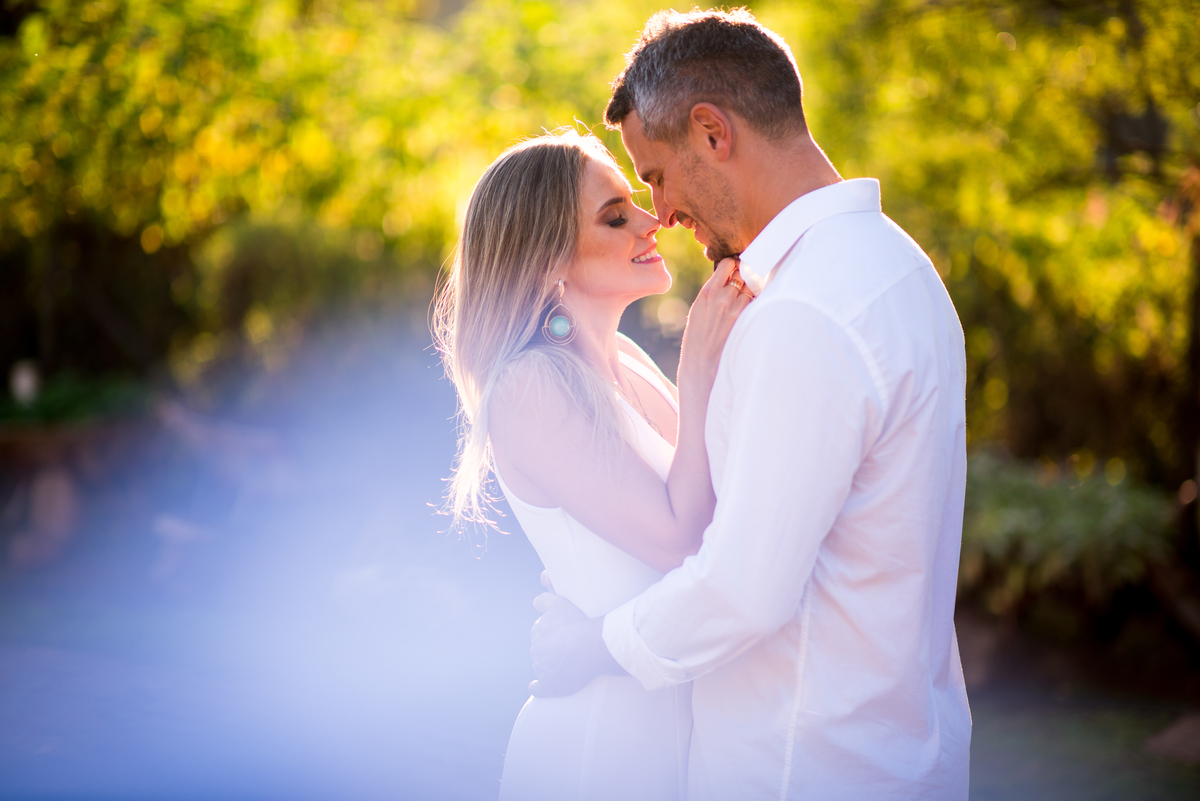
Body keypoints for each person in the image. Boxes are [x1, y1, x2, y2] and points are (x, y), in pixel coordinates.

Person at [528, 9, 973, 800]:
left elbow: (743, 589)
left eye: (656, 175)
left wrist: (595, 645)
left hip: (796, 768)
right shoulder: (901, 268)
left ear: (712, 132)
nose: (660, 214)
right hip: (900, 754)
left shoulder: (801, 313)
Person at [431, 129, 752, 800]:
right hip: (600, 749)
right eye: (614, 216)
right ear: (547, 258)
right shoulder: (529, 385)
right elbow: (681, 539)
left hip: (678, 735)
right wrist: (697, 368)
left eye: (635, 203)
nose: (652, 220)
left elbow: (723, 511)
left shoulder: (627, 361)